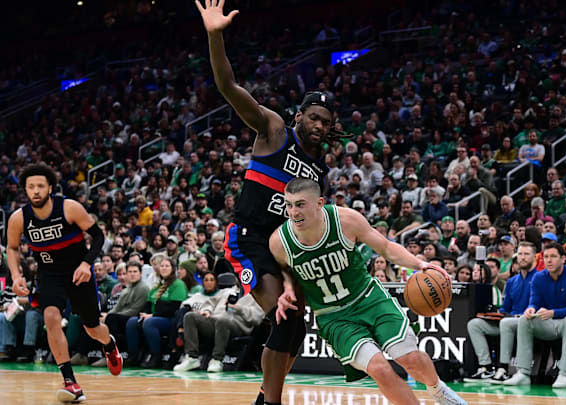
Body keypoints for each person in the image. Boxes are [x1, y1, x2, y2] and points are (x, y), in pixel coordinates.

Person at [196, 2, 341, 403]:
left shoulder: (319, 172)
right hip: (249, 239)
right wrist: (215, 33)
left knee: (296, 326)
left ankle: (265, 398)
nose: (319, 126)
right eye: (314, 117)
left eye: (326, 122)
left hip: (285, 249)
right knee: (285, 312)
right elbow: (228, 87)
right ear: (299, 116)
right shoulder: (274, 129)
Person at [269, 178, 466, 405]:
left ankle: (437, 389)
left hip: (368, 298)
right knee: (379, 368)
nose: (294, 212)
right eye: (289, 205)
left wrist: (419, 265)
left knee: (410, 358)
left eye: (300, 204)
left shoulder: (346, 220)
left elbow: (385, 247)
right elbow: (286, 275)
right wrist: (285, 291)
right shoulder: (279, 242)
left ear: (319, 203)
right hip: (334, 317)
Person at [6, 164, 123, 403]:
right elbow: (12, 247)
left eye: (40, 186)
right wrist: (17, 276)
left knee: (93, 328)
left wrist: (85, 264)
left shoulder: (69, 208)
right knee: (51, 317)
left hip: (78, 273)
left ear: (50, 187)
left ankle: (109, 345)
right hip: (49, 275)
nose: (35, 191)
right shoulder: (19, 218)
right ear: (25, 191)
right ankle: (70, 382)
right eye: (30, 187)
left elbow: (98, 236)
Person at [503, 242, 566, 387]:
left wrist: (553, 312)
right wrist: (530, 309)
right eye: (546, 257)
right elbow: (534, 301)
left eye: (553, 256)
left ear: (562, 259)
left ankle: (565, 375)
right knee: (524, 320)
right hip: (549, 322)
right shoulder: (539, 278)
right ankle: (523, 373)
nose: (549, 260)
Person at [465, 242, 537, 383]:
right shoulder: (511, 282)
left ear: (534, 257)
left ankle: (502, 369)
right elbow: (506, 308)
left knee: (506, 323)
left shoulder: (540, 278)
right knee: (475, 324)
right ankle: (485, 367)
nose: (522, 257)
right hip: (508, 320)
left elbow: (540, 305)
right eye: (520, 254)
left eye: (526, 254)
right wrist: (496, 313)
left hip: (529, 321)